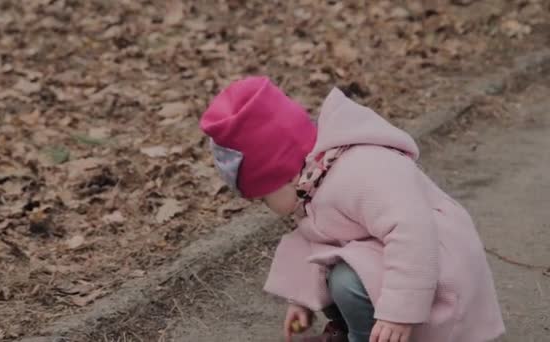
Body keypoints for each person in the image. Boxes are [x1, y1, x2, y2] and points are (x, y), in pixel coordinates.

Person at [199, 76, 505, 342]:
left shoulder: (363, 171)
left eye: (263, 197)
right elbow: (318, 243)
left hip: (438, 269)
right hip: (399, 260)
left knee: (347, 281)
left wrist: (398, 314)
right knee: (336, 266)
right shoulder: (315, 180)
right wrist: (302, 300)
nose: (265, 207)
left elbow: (412, 233)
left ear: (284, 174)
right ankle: (354, 330)